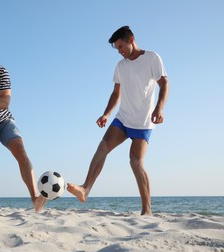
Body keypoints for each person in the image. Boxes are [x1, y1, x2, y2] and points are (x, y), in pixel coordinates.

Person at [67, 26, 170, 215]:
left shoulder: (152, 58)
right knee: (102, 147)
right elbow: (116, 93)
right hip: (123, 118)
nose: (120, 51)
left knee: (135, 161)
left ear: (131, 39)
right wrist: (106, 114)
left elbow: (164, 83)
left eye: (121, 46)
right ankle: (85, 189)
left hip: (143, 121)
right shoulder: (120, 66)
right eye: (117, 48)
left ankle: (146, 210)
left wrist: (159, 108)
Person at [0, 40, 46, 212]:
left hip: (4, 121)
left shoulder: (1, 71)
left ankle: (35, 198)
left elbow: (5, 102)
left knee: (20, 150)